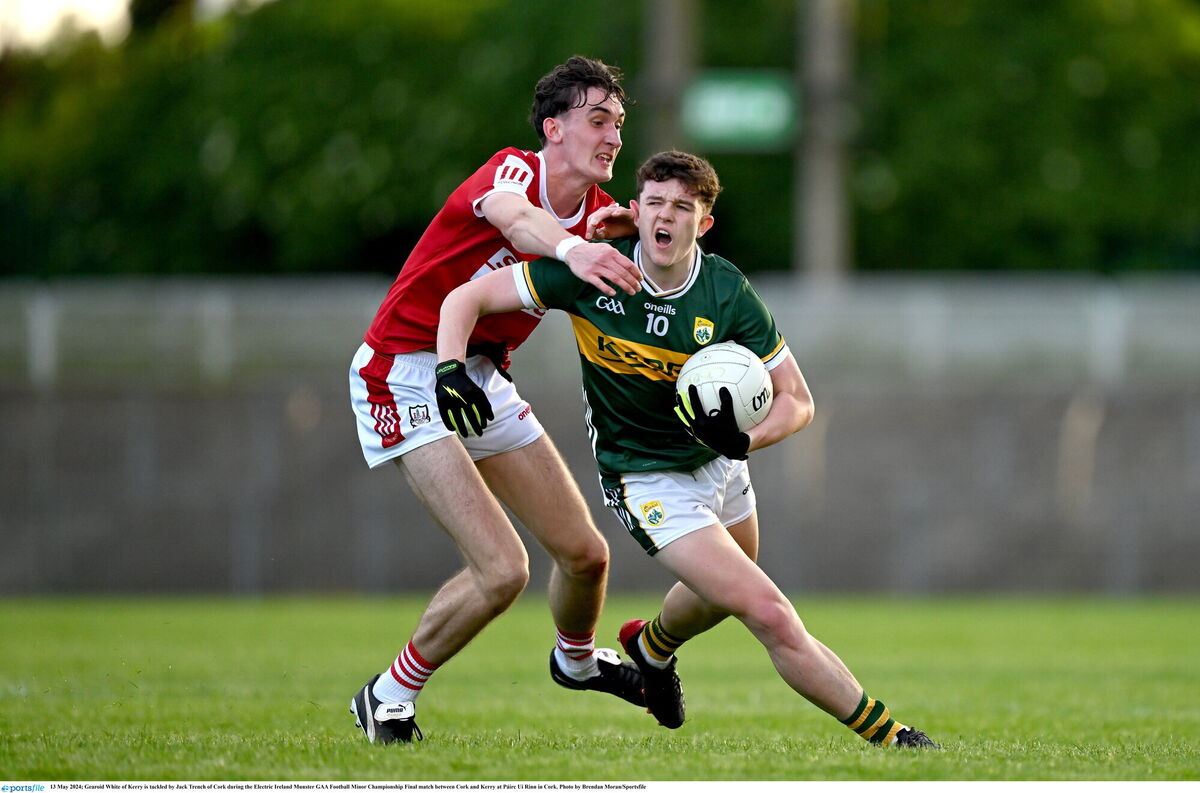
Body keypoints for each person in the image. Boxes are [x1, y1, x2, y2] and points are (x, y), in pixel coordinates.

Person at [435, 151, 940, 748]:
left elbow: (797, 399)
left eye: (682, 207)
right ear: (636, 210)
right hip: (646, 479)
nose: (664, 217)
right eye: (654, 203)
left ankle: (650, 648)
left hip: (720, 465)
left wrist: (745, 440)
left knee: (719, 597)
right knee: (769, 611)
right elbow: (463, 299)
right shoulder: (593, 270)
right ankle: (892, 738)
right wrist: (448, 366)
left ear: (703, 223)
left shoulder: (724, 291)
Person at [347, 56, 648, 745]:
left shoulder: (603, 218)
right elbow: (517, 222)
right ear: (553, 127)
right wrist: (574, 250)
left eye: (619, 124)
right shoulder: (516, 171)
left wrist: (670, 232)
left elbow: (654, 263)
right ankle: (388, 695)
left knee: (587, 555)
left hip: (476, 373)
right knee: (503, 569)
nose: (612, 137)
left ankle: (574, 661)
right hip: (403, 368)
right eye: (597, 120)